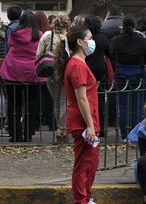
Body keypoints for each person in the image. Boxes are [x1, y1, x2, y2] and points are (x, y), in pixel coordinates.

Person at [56, 26, 100, 204]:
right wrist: (89, 125)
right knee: (84, 164)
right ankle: (82, 200)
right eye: (90, 37)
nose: (92, 41)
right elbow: (81, 98)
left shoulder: (78, 64)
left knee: (90, 163)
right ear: (80, 42)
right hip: (83, 122)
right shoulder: (76, 65)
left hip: (87, 120)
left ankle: (86, 198)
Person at [0, 11, 45, 142]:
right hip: (33, 71)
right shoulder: (39, 35)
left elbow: (9, 46)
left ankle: (15, 134)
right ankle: (28, 133)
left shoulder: (14, 34)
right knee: (32, 104)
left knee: (14, 104)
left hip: (13, 71)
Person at [111, 14, 146, 140]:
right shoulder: (141, 40)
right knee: (138, 106)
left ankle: (125, 134)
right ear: (135, 26)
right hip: (138, 75)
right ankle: (137, 133)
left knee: (123, 106)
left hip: (121, 75)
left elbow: (112, 55)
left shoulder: (116, 40)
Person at [37, 12, 71, 144]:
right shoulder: (69, 36)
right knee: (64, 102)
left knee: (55, 102)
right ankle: (63, 129)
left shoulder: (47, 35)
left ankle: (59, 129)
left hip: (51, 71)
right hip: (65, 70)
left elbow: (39, 53)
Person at [84, 15, 112, 138]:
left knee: (85, 99)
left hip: (86, 70)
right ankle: (100, 127)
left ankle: (87, 126)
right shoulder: (103, 38)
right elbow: (110, 53)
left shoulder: (84, 38)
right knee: (99, 101)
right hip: (100, 72)